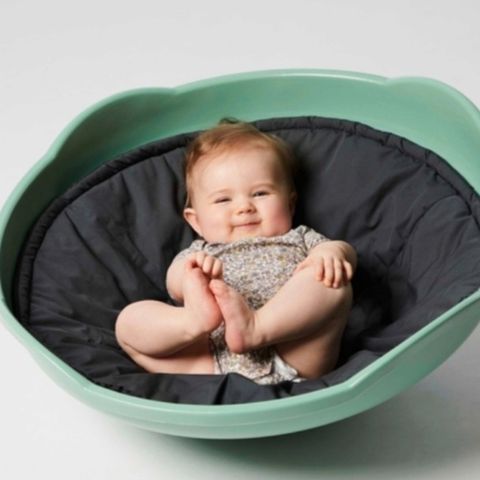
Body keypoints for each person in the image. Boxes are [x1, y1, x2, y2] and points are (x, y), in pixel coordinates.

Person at [115, 119, 356, 384]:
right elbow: (174, 285)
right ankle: (192, 322)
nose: (244, 207)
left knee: (331, 281)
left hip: (291, 354)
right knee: (128, 323)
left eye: (260, 193)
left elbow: (343, 254)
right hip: (211, 357)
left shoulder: (299, 238)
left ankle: (256, 327)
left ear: (290, 203)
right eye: (223, 199)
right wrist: (191, 277)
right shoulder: (200, 253)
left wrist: (332, 253)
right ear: (196, 221)